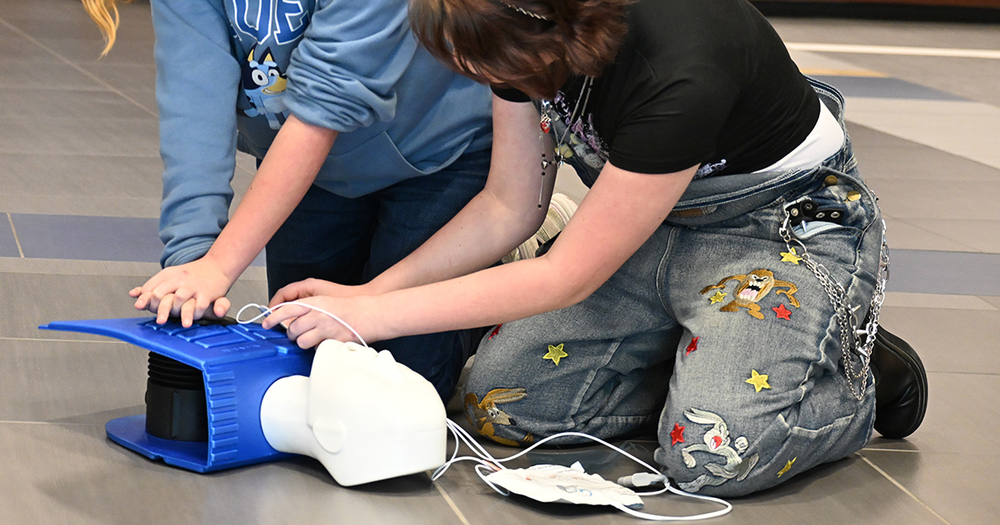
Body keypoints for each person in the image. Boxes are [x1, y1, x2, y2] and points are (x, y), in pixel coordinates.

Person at [254, 0, 929, 496]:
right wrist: (370, 294)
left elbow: (567, 276)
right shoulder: (517, 29)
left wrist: (371, 319)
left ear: (556, 27)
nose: (474, 75)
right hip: (641, 225)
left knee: (710, 457)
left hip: (774, 228)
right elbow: (508, 206)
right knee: (496, 403)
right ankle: (716, 347)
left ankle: (847, 367)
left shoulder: (678, 63)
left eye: (483, 63)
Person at [80, 0, 495, 399]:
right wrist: (193, 259)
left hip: (441, 151)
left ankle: (504, 262)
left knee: (402, 382)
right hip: (310, 172)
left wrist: (222, 264)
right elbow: (193, 92)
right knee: (308, 361)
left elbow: (327, 99)